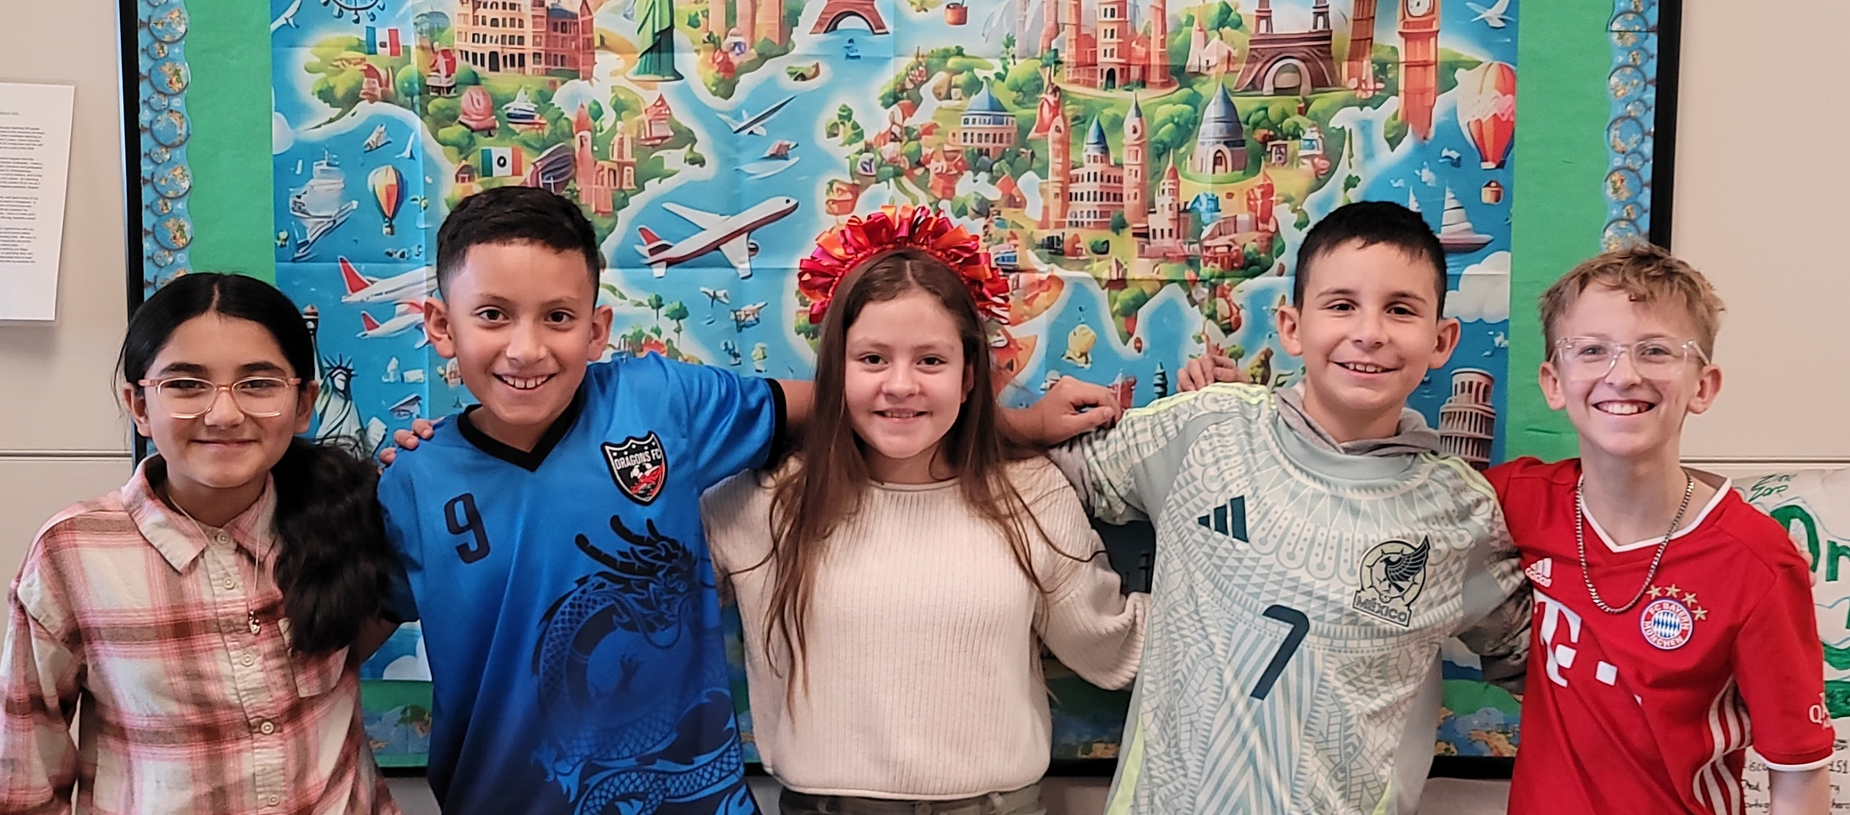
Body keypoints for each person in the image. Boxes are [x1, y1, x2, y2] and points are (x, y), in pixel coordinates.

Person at [376, 189, 1113, 815]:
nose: (527, 348)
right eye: (493, 315)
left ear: (598, 328)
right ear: (442, 326)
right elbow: (341, 635)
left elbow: (847, 404)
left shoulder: (665, 400)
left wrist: (1016, 426)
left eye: (559, 317)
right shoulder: (411, 477)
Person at [1082, 200, 1529, 814]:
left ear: (1441, 340)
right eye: (1341, 305)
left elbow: (1543, 663)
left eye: (1400, 310)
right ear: (1291, 327)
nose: (1369, 332)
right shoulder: (1206, 431)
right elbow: (1037, 480)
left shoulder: (1461, 513)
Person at [701, 214, 1146, 815]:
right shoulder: (770, 500)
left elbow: (1108, 646)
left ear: (968, 378)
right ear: (836, 373)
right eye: (873, 359)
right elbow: (642, 601)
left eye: (931, 361)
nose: (901, 385)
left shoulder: (1029, 495)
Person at [0, 273, 400, 814]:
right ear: (139, 405)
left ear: (304, 402)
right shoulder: (72, 553)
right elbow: (26, 780)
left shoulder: (349, 516)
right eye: (186, 385)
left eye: (258, 383)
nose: (224, 414)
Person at [1488, 246, 1831, 814]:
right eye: (1591, 351)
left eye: (1656, 351)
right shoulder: (1516, 500)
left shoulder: (1757, 562)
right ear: (1553, 382)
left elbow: (1797, 775)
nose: (1623, 375)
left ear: (1703, 386)